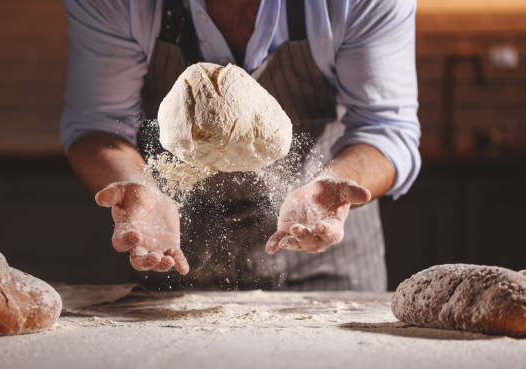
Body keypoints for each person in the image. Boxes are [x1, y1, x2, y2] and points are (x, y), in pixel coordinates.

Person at [61, 0, 421, 291]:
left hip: (323, 259)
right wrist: (137, 186)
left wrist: (333, 186)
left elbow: (384, 127)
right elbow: (100, 125)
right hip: (171, 258)